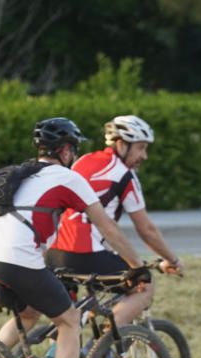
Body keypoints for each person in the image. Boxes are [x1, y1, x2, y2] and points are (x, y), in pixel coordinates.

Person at [0, 117, 145, 358]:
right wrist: (137, 266)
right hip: (19, 259)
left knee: (28, 313)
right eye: (73, 150)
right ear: (65, 150)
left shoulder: (20, 174)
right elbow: (106, 225)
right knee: (70, 321)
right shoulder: (68, 177)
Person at [47, 115, 183, 326]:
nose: (144, 156)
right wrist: (172, 260)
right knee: (144, 286)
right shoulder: (124, 175)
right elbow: (146, 229)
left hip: (54, 252)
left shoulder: (83, 160)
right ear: (121, 144)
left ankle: (62, 356)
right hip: (86, 254)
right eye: (141, 148)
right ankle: (107, 340)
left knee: (68, 322)